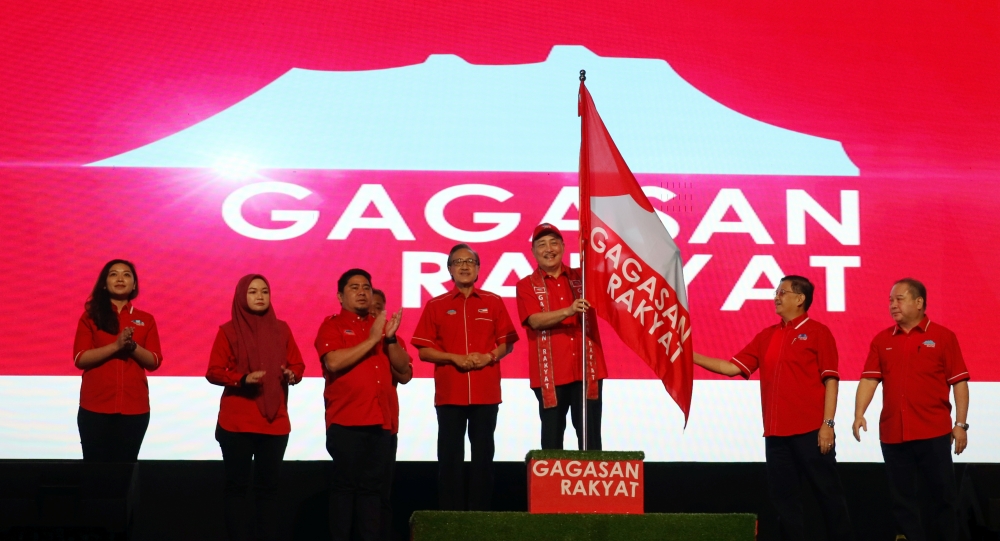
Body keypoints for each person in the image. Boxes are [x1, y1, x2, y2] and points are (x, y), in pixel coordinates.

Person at [693, 275, 854, 541]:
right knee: (785, 503)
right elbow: (731, 367)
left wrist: (828, 425)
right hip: (777, 436)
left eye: (783, 292)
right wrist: (690, 355)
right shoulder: (767, 336)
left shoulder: (818, 332)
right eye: (776, 292)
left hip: (811, 432)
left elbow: (831, 381)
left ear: (800, 299)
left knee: (829, 498)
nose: (776, 297)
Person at [853, 278, 970, 541]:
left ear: (919, 303)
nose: (893, 305)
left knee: (942, 497)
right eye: (890, 300)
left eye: (899, 299)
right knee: (902, 499)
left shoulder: (942, 336)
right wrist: (859, 413)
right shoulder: (882, 340)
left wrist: (960, 425)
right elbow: (870, 379)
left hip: (933, 431)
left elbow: (959, 382)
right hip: (894, 433)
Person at [411, 244, 519, 511]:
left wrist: (489, 357)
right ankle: (450, 513)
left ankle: (479, 514)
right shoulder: (436, 305)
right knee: (450, 457)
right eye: (457, 262)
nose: (464, 266)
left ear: (479, 269)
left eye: (470, 261)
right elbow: (424, 351)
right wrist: (454, 358)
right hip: (450, 393)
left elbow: (507, 342)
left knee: (483, 456)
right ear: (449, 269)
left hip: (486, 392)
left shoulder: (493, 301)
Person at [314, 269, 412, 541]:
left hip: (380, 422)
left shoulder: (382, 329)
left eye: (366, 287)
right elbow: (332, 362)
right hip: (346, 421)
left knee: (373, 492)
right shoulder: (332, 326)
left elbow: (405, 373)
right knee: (344, 490)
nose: (362, 292)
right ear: (340, 296)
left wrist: (389, 339)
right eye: (354, 287)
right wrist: (371, 340)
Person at [206, 274, 305, 541]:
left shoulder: (282, 329)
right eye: (252, 292)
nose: (260, 296)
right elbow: (213, 371)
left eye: (264, 291)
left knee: (269, 490)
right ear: (241, 296)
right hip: (237, 422)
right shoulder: (228, 331)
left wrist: (291, 375)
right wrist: (240, 379)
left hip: (275, 423)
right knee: (237, 488)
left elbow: (298, 365)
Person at [515, 223, 607, 450]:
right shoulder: (526, 285)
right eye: (542, 244)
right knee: (552, 439)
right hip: (550, 373)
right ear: (533, 251)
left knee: (590, 439)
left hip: (587, 369)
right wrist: (569, 310)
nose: (549, 249)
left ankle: (590, 483)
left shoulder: (584, 277)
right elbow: (534, 320)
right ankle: (552, 486)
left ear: (564, 247)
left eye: (554, 243)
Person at [73, 259, 162, 462]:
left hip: (135, 408)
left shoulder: (146, 319)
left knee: (123, 474)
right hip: (95, 407)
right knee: (95, 473)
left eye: (127, 274)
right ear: (104, 283)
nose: (120, 278)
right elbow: (80, 358)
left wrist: (131, 346)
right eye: (113, 274)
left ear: (134, 285)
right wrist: (116, 345)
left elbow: (154, 361)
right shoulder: (90, 317)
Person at [370, 288, 413, 541]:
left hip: (386, 426)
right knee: (351, 492)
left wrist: (388, 340)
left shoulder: (392, 338)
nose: (375, 311)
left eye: (380, 307)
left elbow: (404, 376)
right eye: (371, 306)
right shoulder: (347, 333)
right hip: (352, 425)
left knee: (382, 494)